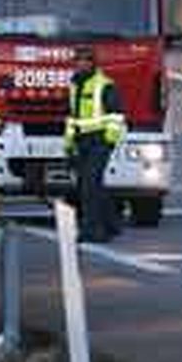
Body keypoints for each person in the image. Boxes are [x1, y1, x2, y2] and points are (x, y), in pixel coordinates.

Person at [64, 46, 127, 242]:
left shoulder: (105, 85)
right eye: (79, 61)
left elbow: (116, 116)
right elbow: (73, 118)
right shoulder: (74, 85)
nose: (82, 64)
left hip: (100, 140)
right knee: (88, 184)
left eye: (86, 61)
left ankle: (92, 231)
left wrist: (108, 141)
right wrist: (69, 145)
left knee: (90, 185)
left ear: (93, 63)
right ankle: (112, 224)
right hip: (82, 141)